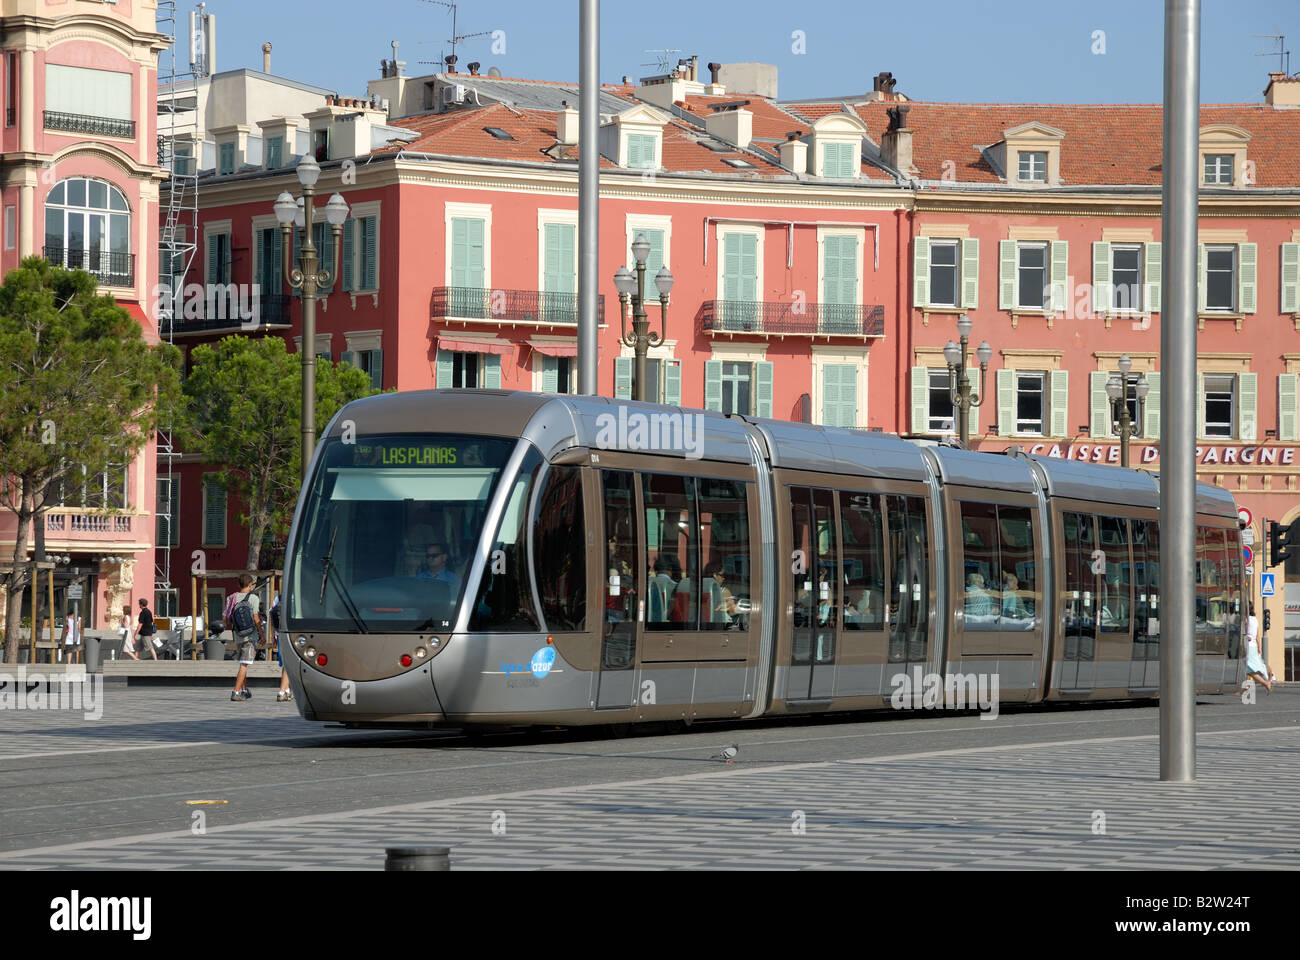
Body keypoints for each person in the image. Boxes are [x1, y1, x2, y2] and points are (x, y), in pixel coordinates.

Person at [227, 574, 265, 702]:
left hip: (238, 635)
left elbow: (227, 618)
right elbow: (256, 618)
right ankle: (235, 692)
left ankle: (244, 691)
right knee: (244, 664)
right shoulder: (253, 598)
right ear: (250, 585)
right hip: (250, 636)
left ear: (239, 585)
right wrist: (262, 634)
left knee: (244, 663)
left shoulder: (232, 597)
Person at [268, 593, 293, 702]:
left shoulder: (278, 598)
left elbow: (271, 614)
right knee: (288, 664)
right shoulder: (296, 597)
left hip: (279, 634)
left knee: (285, 663)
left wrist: (273, 635)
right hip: (291, 634)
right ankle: (281, 692)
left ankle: (287, 691)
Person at [1243, 603, 1272, 693]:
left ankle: (1265, 683)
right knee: (1253, 666)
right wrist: (1259, 647)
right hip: (1254, 645)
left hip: (1248, 646)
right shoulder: (1255, 619)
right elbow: (1257, 635)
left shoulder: (1246, 619)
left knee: (1249, 668)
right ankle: (1246, 685)